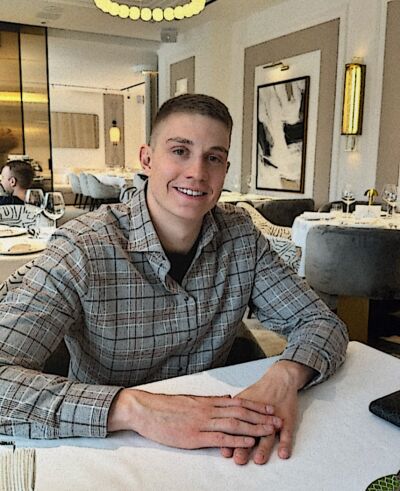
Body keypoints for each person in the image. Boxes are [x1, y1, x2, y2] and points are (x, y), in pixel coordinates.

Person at [0, 94, 348, 465]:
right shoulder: (82, 248)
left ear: (225, 170)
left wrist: (285, 375)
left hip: (216, 454)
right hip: (108, 453)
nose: (197, 172)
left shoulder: (241, 238)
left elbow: (320, 321)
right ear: (147, 159)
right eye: (180, 151)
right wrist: (134, 409)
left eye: (213, 158)